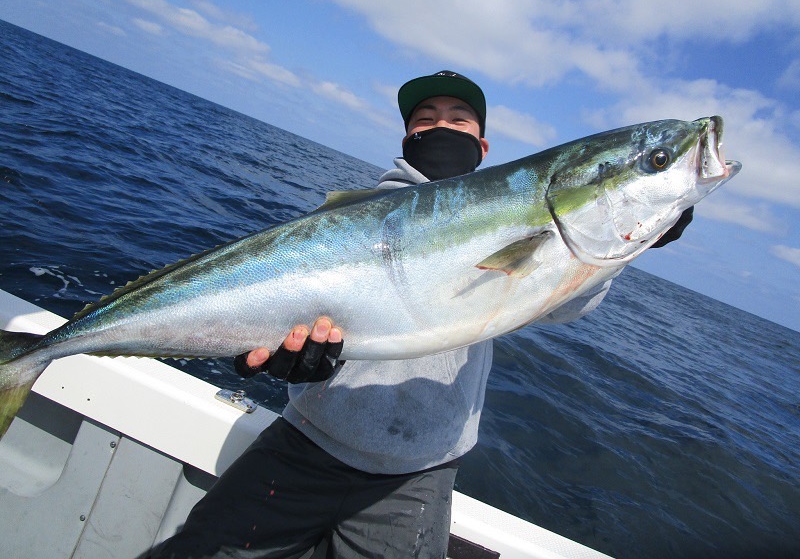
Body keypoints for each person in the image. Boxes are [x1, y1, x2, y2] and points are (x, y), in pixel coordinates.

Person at [149, 71, 691, 558]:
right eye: (424, 120)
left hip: (418, 473)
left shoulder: (514, 212)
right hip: (307, 439)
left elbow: (566, 299)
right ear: (408, 138)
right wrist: (279, 351)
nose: (439, 127)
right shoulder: (355, 213)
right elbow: (285, 301)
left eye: (458, 119)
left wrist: (631, 237)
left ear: (481, 145)